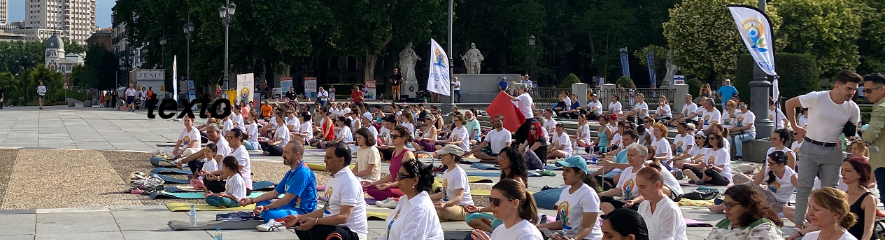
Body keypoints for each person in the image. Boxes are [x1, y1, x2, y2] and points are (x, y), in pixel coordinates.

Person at [786, 70, 863, 227]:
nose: (852, 92)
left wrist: (846, 139)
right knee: (804, 188)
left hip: (833, 151)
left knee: (830, 192)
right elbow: (789, 103)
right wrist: (795, 126)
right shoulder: (817, 97)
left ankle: (829, 226)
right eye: (849, 88)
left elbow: (851, 132)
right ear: (837, 86)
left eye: (855, 89)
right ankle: (799, 225)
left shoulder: (853, 108)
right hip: (810, 146)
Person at [282, 143, 368, 240]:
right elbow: (326, 210)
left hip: (352, 232)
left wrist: (315, 221)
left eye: (329, 157)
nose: (325, 160)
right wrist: (298, 218)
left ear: (341, 160)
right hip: (336, 227)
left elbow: (344, 217)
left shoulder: (349, 182)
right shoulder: (334, 178)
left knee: (318, 229)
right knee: (301, 227)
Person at [790, 158, 875, 240]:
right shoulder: (843, 195)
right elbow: (826, 221)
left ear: (859, 174)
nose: (843, 174)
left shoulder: (868, 198)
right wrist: (799, 233)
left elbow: (869, 229)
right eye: (842, 170)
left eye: (848, 171)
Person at [241, 142, 317, 229]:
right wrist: (251, 201)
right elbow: (274, 193)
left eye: (286, 152)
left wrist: (266, 207)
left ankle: (271, 214)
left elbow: (287, 199)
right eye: (283, 152)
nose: (283, 155)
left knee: (270, 214)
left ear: (296, 155)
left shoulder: (303, 173)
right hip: (289, 207)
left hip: (302, 211)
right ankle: (267, 212)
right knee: (260, 203)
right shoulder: (291, 173)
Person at [465, 147, 531, 232]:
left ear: (512, 161)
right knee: (471, 216)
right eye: (499, 157)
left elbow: (518, 205)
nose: (500, 160)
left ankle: (494, 232)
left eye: (504, 158)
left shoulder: (516, 180)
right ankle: (495, 230)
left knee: (489, 222)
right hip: (502, 213)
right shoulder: (504, 177)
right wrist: (478, 209)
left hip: (512, 217)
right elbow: (499, 203)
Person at [536, 156, 603, 240]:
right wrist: (537, 226)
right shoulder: (565, 192)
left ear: (580, 173)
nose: (563, 173)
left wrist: (573, 239)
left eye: (568, 171)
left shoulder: (588, 194)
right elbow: (564, 223)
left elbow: (587, 227)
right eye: (563, 170)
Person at [377, 159, 445, 240]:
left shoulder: (420, 207)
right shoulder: (405, 200)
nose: (397, 179)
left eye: (402, 176)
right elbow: (387, 234)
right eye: (398, 174)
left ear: (415, 180)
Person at [469, 179, 543, 240]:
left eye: (496, 201)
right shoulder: (499, 230)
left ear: (515, 203)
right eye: (490, 200)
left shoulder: (528, 235)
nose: (491, 205)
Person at [705, 185, 784, 239]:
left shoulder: (763, 228)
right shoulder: (724, 224)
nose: (726, 209)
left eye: (730, 205)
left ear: (747, 206)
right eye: (725, 204)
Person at [635, 167, 687, 240]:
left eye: (642, 187)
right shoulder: (643, 205)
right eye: (638, 187)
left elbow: (667, 238)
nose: (639, 191)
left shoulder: (669, 209)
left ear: (657, 185)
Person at [365, 126, 414, 202]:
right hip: (393, 186)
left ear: (403, 139)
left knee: (389, 191)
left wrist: (390, 185)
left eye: (395, 136)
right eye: (391, 136)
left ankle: (393, 197)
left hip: (403, 188)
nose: (392, 138)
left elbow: (408, 178)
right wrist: (374, 183)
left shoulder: (407, 154)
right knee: (371, 188)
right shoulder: (394, 153)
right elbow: (391, 175)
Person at [430, 145, 474, 221]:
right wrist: (427, 198)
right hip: (450, 204)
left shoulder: (459, 173)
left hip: (463, 207)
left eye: (444, 155)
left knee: (444, 210)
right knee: (425, 203)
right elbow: (444, 194)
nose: (441, 157)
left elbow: (459, 197)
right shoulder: (446, 172)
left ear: (453, 157)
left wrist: (444, 204)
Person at [750, 151, 798, 220]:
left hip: (778, 203)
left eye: (771, 163)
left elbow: (803, 193)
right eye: (768, 162)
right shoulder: (768, 168)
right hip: (767, 195)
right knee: (738, 177)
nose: (769, 165)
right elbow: (755, 184)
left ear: (781, 164)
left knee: (747, 190)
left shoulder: (792, 177)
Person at [862, 73, 885, 205]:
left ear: (882, 89)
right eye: (864, 90)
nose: (865, 94)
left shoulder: (881, 108)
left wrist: (863, 135)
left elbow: (870, 135)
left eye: (869, 90)